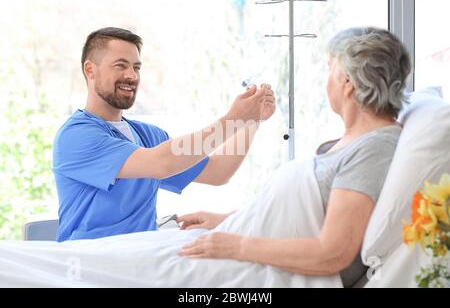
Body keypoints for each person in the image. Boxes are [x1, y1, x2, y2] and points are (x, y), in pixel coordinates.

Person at [177, 27, 412, 288]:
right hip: (240, 241)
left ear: (347, 83)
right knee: (131, 254)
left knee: (132, 264)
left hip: (261, 267)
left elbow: (332, 254)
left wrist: (237, 245)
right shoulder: (356, 141)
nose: (326, 81)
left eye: (328, 69)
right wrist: (228, 220)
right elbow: (308, 212)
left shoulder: (375, 149)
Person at [53, 27, 276, 242]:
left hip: (142, 259)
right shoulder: (76, 137)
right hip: (91, 263)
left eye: (136, 67)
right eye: (120, 66)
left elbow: (218, 172)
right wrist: (233, 119)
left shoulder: (148, 136)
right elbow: (161, 164)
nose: (131, 75)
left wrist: (250, 120)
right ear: (90, 70)